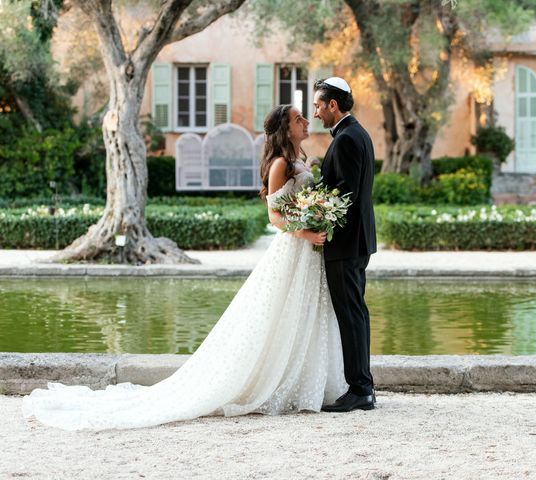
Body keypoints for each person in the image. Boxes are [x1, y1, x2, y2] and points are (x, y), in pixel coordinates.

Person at [21, 105, 348, 431]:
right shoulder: (279, 165)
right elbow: (274, 217)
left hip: (309, 251)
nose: (305, 121)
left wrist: (317, 214)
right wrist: (305, 231)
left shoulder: (300, 160)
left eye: (304, 117)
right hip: (294, 246)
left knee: (305, 314)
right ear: (284, 129)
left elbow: (298, 204)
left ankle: (306, 383)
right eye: (298, 119)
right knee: (278, 315)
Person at [312, 77, 377, 413]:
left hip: (347, 244)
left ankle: (360, 389)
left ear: (332, 105)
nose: (316, 112)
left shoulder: (348, 138)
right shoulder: (356, 134)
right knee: (355, 313)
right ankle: (362, 386)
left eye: (318, 105)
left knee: (351, 315)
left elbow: (346, 196)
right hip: (356, 243)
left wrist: (315, 214)